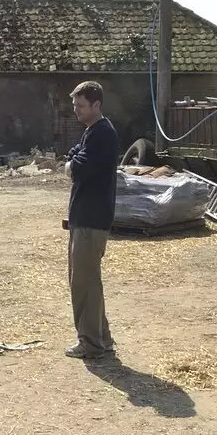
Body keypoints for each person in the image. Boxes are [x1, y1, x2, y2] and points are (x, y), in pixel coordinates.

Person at [65, 80, 119, 359]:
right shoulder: (92, 132)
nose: (77, 110)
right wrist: (74, 160)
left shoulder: (102, 134)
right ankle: (102, 338)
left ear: (96, 104)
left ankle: (91, 343)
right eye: (75, 105)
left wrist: (72, 164)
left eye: (81, 106)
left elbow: (79, 166)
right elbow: (76, 156)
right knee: (86, 280)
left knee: (84, 283)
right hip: (84, 219)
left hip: (91, 220)